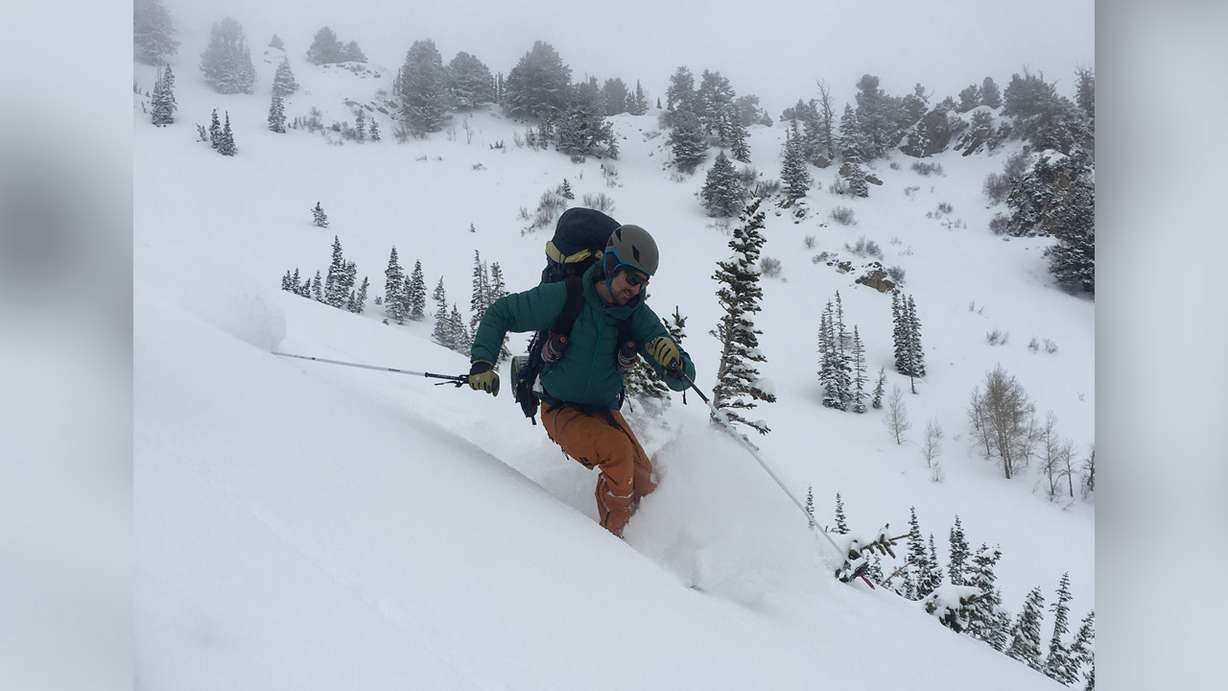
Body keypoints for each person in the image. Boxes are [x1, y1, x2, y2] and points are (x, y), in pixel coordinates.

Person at [466, 225, 697, 537]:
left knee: (646, 484)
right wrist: (482, 362)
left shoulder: (635, 315)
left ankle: (658, 552)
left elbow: (682, 380)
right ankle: (614, 549)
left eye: (643, 282)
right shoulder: (566, 297)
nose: (637, 289)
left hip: (603, 412)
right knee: (617, 453)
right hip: (560, 409)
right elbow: (501, 313)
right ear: (612, 265)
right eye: (632, 278)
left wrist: (675, 365)